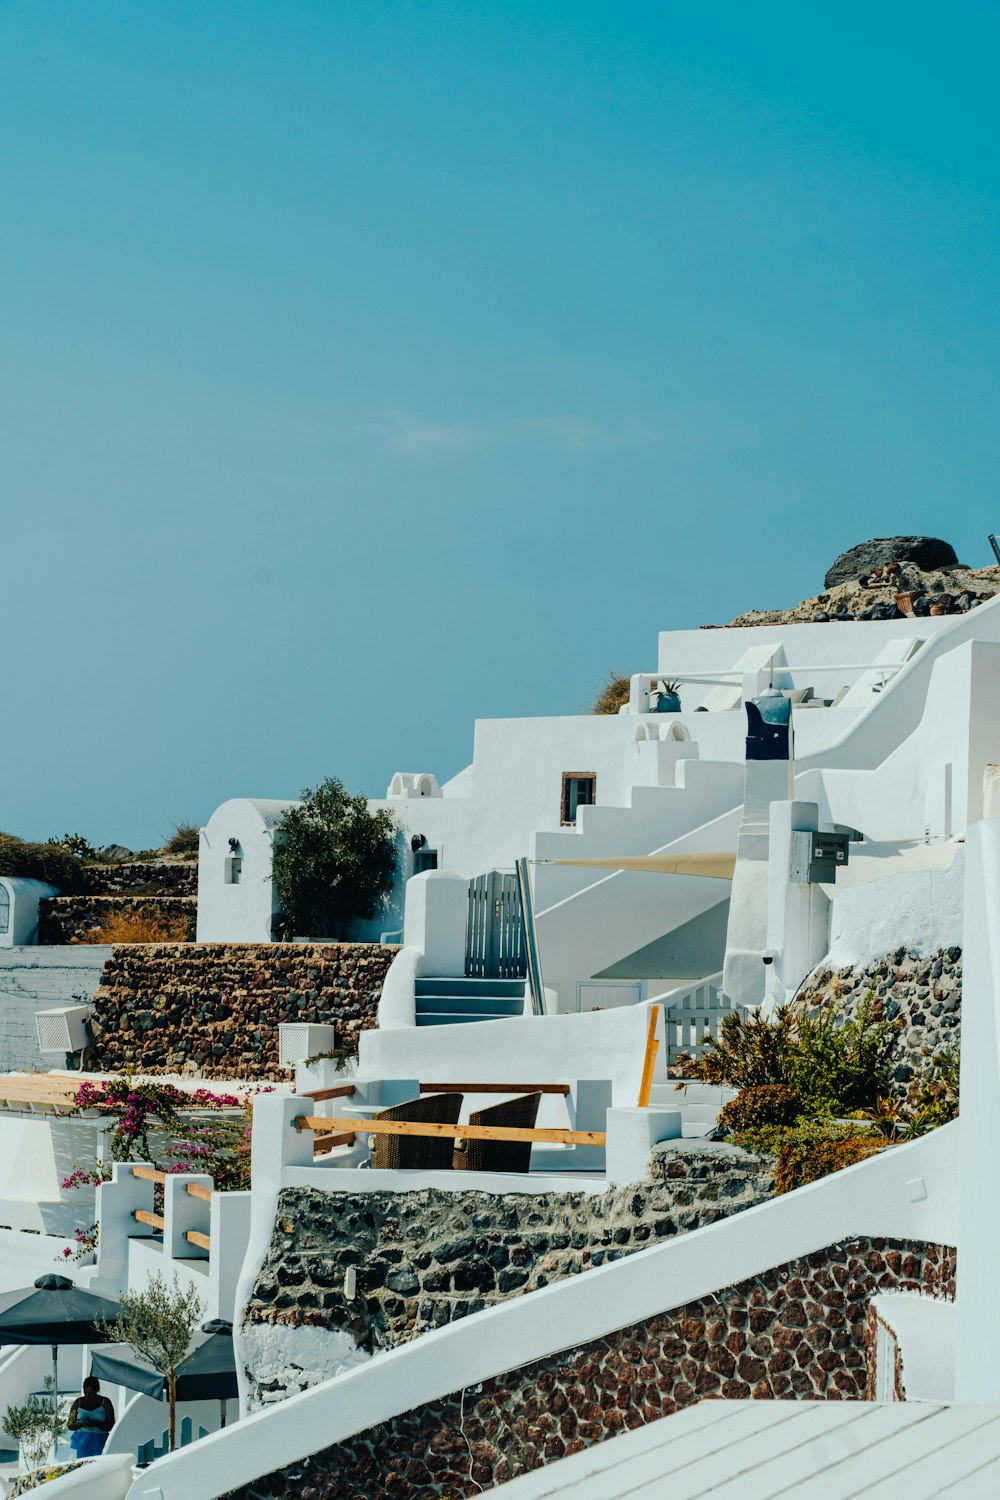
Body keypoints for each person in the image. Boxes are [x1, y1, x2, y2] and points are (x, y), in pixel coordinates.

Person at [68, 1376, 115, 1458]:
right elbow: (70, 1425)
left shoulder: (105, 1402)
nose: (87, 1397)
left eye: (91, 1394)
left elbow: (111, 1426)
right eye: (85, 1393)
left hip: (100, 1441)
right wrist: (80, 1424)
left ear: (97, 1391)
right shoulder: (78, 1403)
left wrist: (96, 1424)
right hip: (82, 1441)